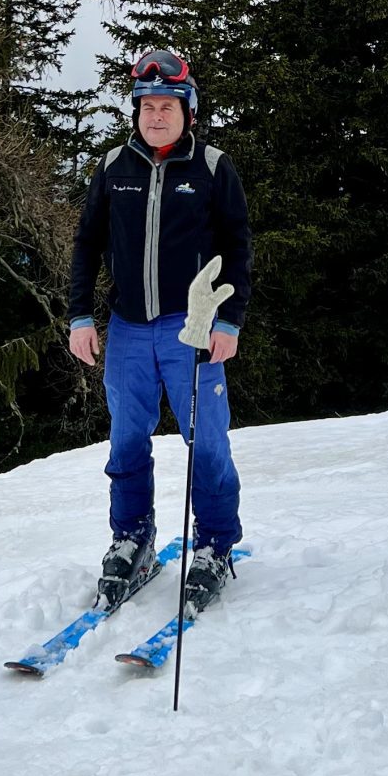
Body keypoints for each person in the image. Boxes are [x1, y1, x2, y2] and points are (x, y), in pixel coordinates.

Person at [69, 47, 252, 614]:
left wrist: (229, 319)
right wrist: (80, 315)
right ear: (136, 111)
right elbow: (86, 245)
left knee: (208, 442)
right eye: (146, 106)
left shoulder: (214, 167)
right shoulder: (112, 168)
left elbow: (239, 248)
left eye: (166, 105)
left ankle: (215, 544)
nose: (155, 116)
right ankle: (133, 537)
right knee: (125, 442)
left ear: (186, 108)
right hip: (126, 328)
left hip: (192, 330)